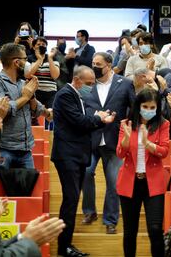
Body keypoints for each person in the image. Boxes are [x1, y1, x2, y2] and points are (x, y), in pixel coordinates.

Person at [52, 65, 116, 257]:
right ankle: (64, 248)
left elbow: (81, 120)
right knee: (70, 202)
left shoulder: (76, 95)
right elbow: (79, 122)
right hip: (68, 156)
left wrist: (95, 117)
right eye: (88, 83)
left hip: (76, 155)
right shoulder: (65, 94)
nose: (91, 86)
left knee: (72, 201)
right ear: (77, 80)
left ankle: (66, 246)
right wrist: (99, 119)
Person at [81, 52, 135, 234]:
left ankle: (110, 219)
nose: (94, 67)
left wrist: (127, 128)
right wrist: (95, 117)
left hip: (115, 139)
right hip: (91, 137)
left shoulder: (125, 83)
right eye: (93, 63)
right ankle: (89, 212)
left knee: (113, 182)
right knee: (86, 173)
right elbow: (82, 110)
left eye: (98, 64)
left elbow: (134, 108)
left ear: (109, 65)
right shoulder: (87, 84)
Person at [116, 88, 169, 257]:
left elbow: (164, 151)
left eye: (152, 107)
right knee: (130, 231)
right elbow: (120, 154)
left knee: (155, 229)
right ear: (138, 106)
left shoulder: (163, 124)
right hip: (130, 182)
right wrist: (125, 141)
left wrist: (147, 144)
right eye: (145, 106)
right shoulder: (126, 123)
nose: (148, 110)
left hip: (153, 182)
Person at [0, 43, 52, 169]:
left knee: (28, 188)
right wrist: (25, 97)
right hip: (4, 149)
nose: (28, 64)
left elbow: (35, 110)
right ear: (16, 62)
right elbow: (5, 110)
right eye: (25, 59)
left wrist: (33, 98)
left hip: (26, 151)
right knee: (5, 188)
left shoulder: (22, 83)